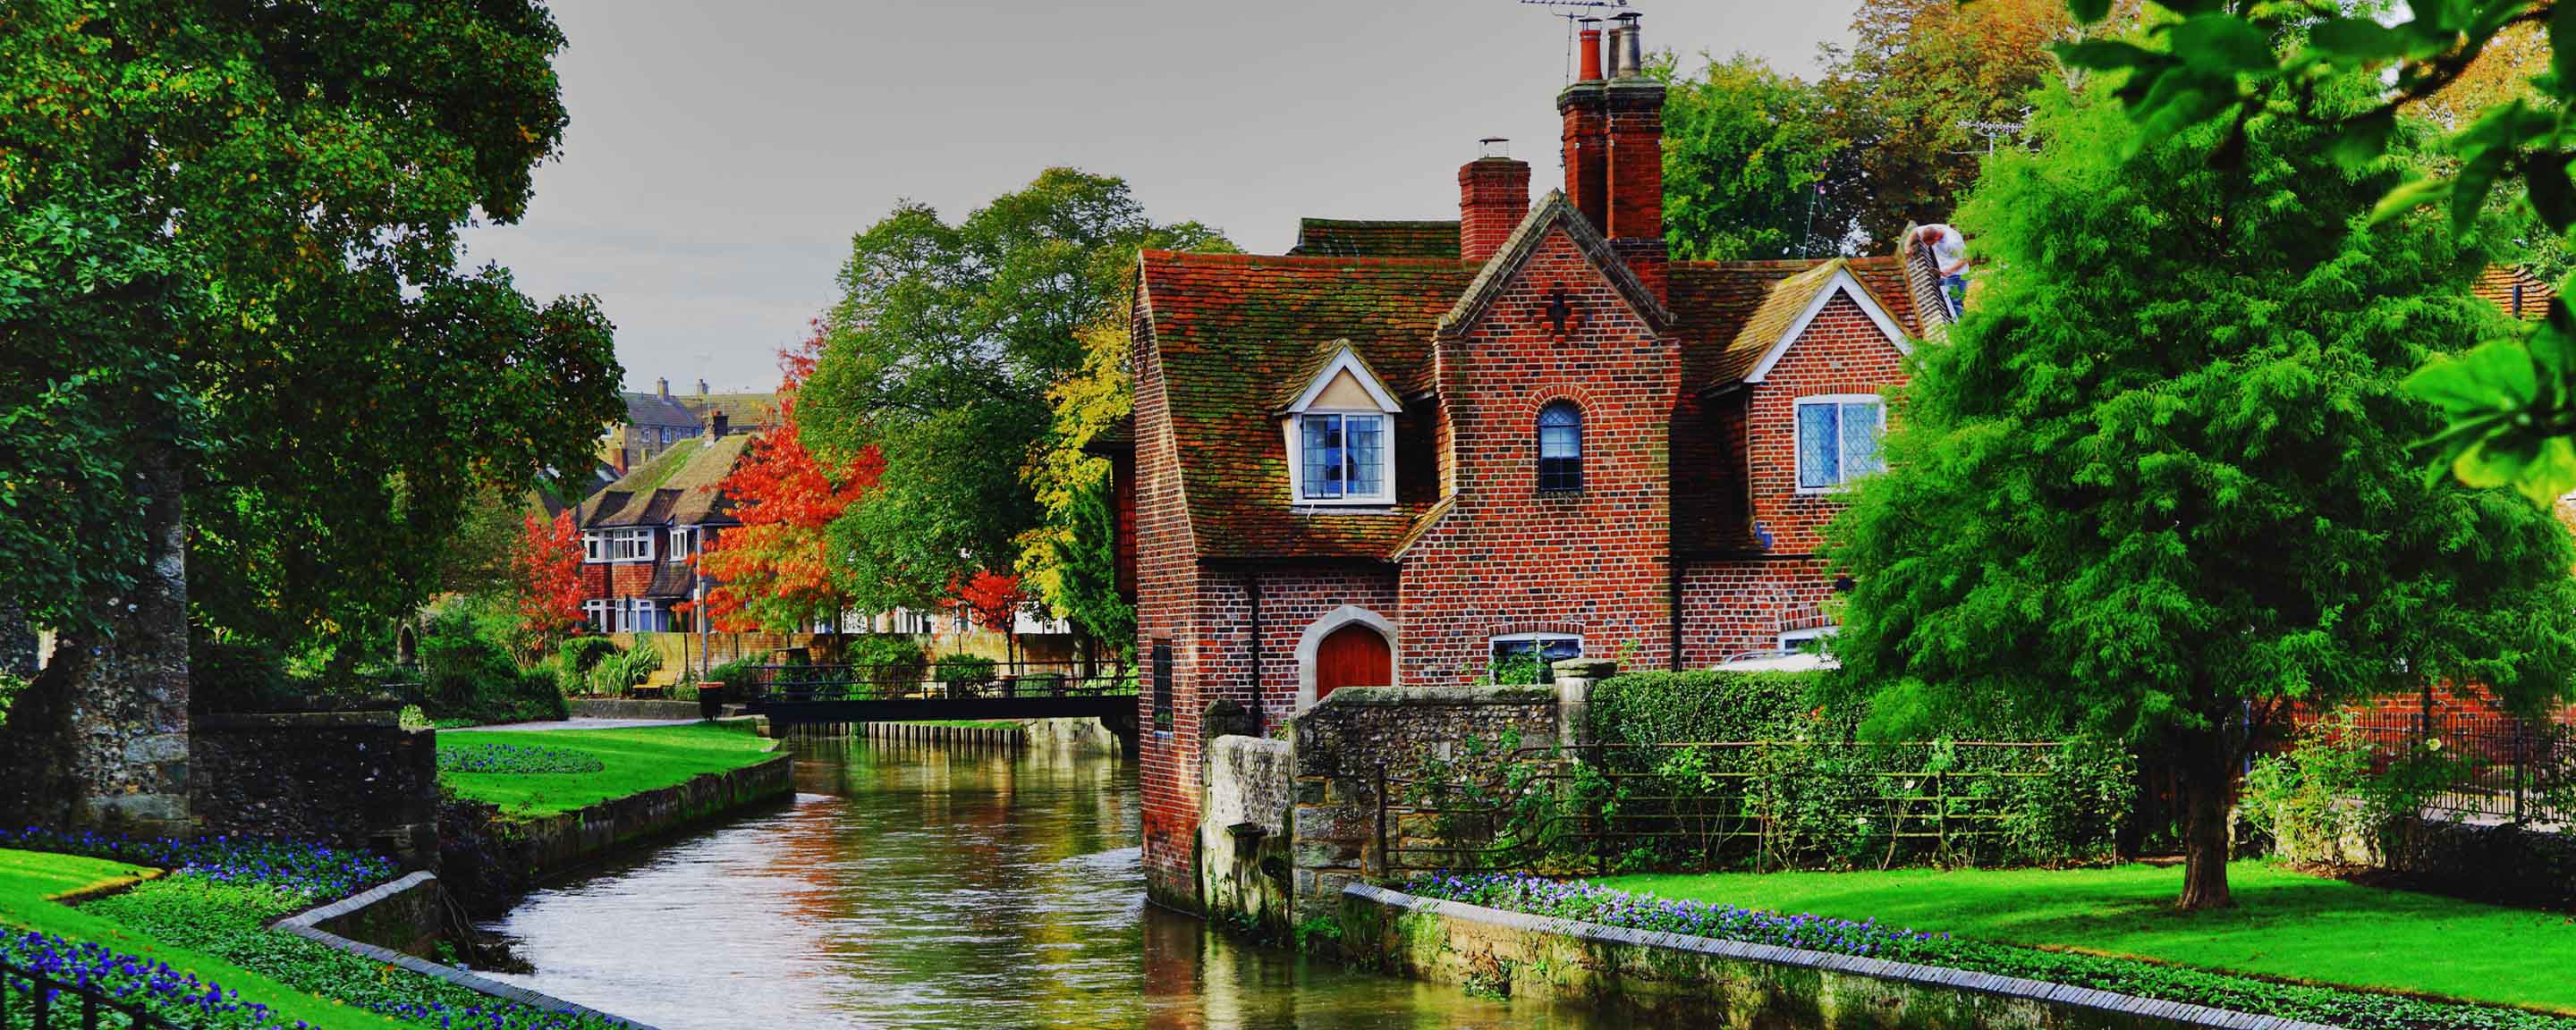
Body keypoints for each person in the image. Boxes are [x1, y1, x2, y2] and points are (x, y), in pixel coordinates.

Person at [1911, 223, 1968, 319]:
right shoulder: (1931, 229)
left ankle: (1961, 326)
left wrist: (1950, 270)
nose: (1932, 246)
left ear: (1937, 238)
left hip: (1958, 275)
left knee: (1955, 302)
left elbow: (1965, 259)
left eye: (1932, 244)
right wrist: (1907, 246)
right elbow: (1914, 231)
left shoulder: (1953, 241)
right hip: (1946, 273)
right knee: (1947, 302)